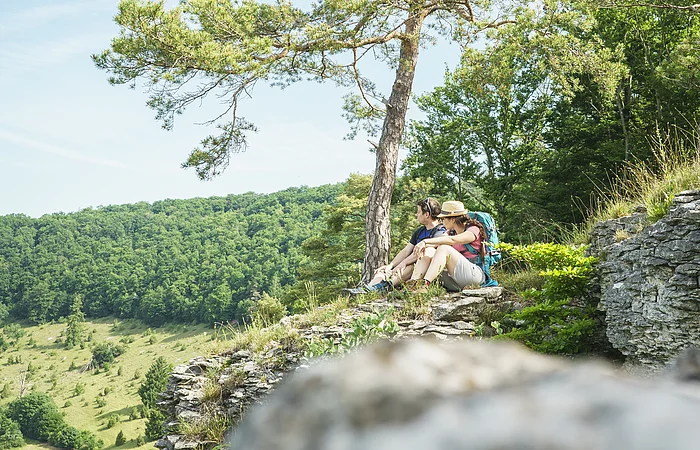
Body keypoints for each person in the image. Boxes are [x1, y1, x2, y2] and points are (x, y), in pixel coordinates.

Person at [348, 198, 447, 294]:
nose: (416, 214)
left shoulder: (440, 231)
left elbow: (426, 252)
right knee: (382, 272)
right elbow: (406, 251)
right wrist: (391, 265)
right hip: (409, 267)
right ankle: (369, 291)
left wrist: (403, 263)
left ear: (426, 214)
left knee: (409, 267)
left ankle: (385, 286)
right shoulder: (420, 231)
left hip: (423, 271)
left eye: (418, 212)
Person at [409, 200, 486, 292]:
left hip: (474, 276)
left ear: (452, 219)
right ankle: (414, 284)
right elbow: (436, 242)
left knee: (444, 248)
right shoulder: (450, 232)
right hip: (456, 279)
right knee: (429, 250)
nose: (441, 221)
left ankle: (425, 285)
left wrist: (425, 241)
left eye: (443, 219)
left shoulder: (473, 230)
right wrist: (425, 246)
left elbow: (452, 240)